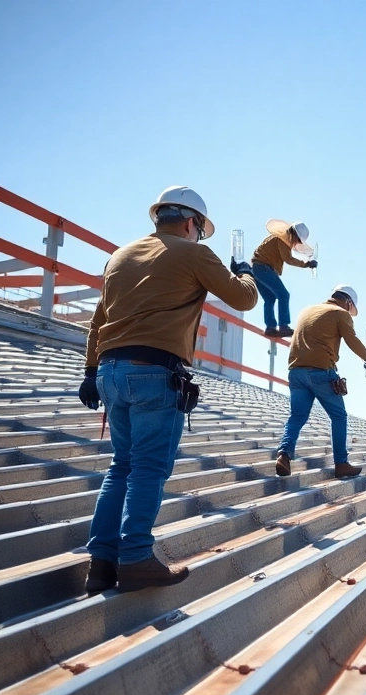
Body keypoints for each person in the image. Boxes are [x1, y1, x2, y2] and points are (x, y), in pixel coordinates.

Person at [78, 186, 258, 593]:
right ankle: (137, 557)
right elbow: (243, 298)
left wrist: (90, 372)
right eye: (199, 230)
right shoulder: (194, 254)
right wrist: (245, 271)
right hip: (154, 373)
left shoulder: (120, 256)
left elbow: (97, 320)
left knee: (120, 466)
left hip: (109, 372)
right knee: (147, 468)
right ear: (191, 222)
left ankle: (101, 563)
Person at [275, 285, 366, 478]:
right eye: (351, 309)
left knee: (297, 417)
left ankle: (284, 455)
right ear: (348, 302)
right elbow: (351, 339)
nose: (350, 312)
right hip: (321, 372)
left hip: (295, 372)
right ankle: (341, 463)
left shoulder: (306, 310)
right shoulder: (340, 313)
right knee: (339, 416)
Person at [251, 218, 316, 338]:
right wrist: (306, 264)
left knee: (270, 299)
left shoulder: (278, 238)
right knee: (283, 295)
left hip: (256, 269)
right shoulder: (283, 240)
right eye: (297, 240)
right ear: (295, 235)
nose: (296, 243)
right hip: (264, 268)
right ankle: (283, 326)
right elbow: (288, 259)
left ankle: (270, 327)